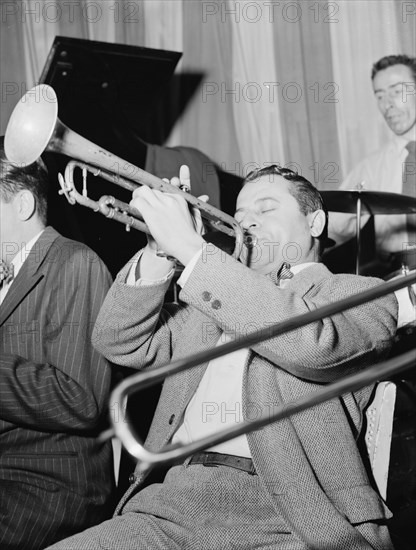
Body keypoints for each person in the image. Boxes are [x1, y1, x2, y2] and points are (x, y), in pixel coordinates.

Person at [47, 164, 398, 550]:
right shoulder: (207, 303)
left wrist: (193, 251)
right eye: (240, 213)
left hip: (292, 519)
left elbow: (314, 346)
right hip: (171, 504)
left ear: (315, 223)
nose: (245, 223)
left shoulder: (362, 293)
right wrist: (160, 250)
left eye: (265, 210)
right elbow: (118, 339)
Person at [0, 137, 115, 549]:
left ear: (23, 205)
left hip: (49, 485)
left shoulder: (74, 262)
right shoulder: (4, 276)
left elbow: (80, 399)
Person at [328, 54, 416, 277]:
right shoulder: (371, 167)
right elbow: (333, 225)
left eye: (397, 91)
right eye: (380, 95)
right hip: (397, 276)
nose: (387, 104)